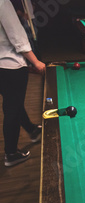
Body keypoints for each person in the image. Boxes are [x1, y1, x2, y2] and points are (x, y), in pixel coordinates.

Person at [1, 0, 45, 167]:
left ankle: (32, 130)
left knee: (13, 101)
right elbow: (17, 36)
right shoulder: (3, 2)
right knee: (12, 108)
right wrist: (36, 62)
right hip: (10, 64)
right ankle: (11, 153)